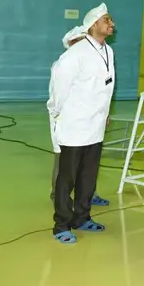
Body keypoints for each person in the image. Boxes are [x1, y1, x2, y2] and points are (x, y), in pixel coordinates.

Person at [47, 3, 117, 244]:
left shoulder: (108, 52)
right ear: (93, 24)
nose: (111, 24)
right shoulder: (75, 55)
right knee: (67, 177)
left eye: (111, 20)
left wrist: (105, 112)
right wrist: (57, 113)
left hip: (95, 126)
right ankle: (61, 225)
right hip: (75, 125)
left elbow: (105, 87)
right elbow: (59, 86)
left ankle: (82, 217)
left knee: (88, 175)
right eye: (107, 20)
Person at [48, 26, 109, 207]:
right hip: (69, 121)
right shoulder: (63, 64)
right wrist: (59, 116)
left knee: (88, 162)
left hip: (90, 121)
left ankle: (90, 194)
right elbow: (57, 97)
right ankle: (57, 195)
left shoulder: (96, 62)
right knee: (65, 161)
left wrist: (103, 114)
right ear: (71, 44)